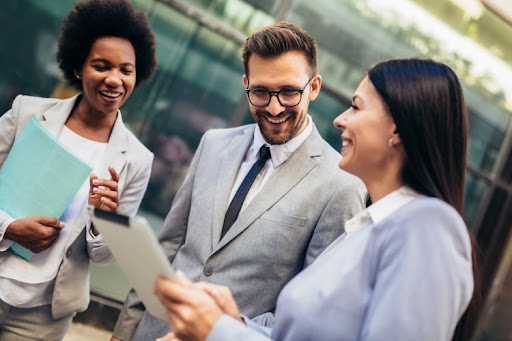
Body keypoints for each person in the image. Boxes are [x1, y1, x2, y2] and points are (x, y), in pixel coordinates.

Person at [153, 58, 480, 341]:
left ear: (396, 127)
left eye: (355, 106)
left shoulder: (428, 227)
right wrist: (232, 321)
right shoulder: (364, 231)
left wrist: (218, 332)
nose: (340, 119)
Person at [112, 22, 366, 341]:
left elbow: (313, 312)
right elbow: (168, 248)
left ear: (313, 87)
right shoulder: (213, 143)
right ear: (246, 84)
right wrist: (124, 331)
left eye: (289, 91)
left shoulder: (342, 185)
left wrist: (228, 328)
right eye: (260, 92)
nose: (274, 108)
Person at [0, 0, 156, 339]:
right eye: (101, 66)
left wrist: (104, 223)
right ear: (77, 68)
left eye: (126, 70)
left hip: (43, 316)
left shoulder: (137, 160)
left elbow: (103, 258)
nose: (114, 80)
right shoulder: (27, 113)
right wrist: (9, 228)